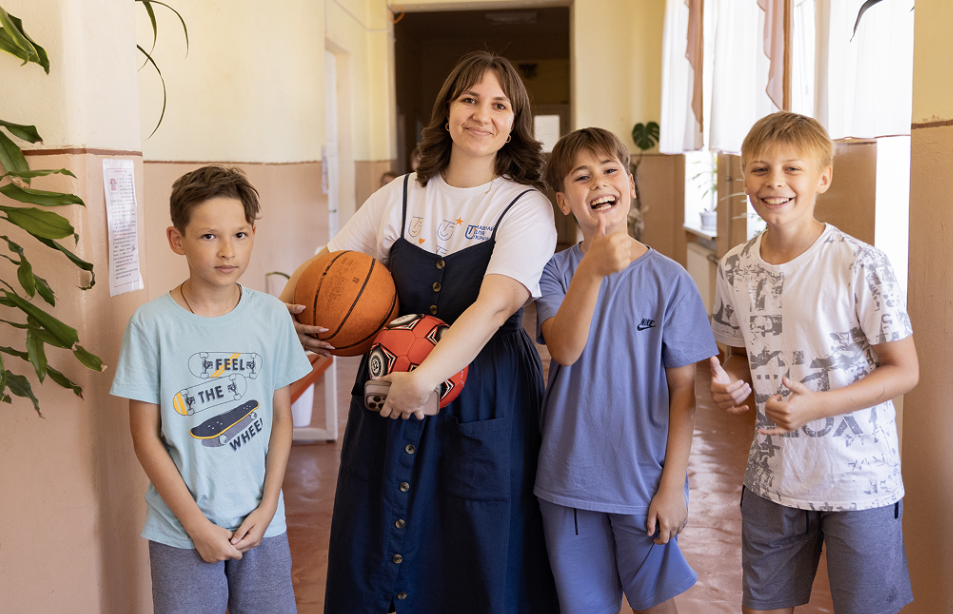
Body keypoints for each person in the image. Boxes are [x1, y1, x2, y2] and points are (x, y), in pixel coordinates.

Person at [280, 51, 560, 613]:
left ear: (514, 124)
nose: (482, 115)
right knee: (381, 520)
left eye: (499, 105)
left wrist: (425, 379)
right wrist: (294, 316)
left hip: (485, 388)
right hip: (390, 379)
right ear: (448, 111)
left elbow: (495, 307)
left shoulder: (526, 205)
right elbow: (327, 267)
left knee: (475, 534)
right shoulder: (400, 194)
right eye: (469, 99)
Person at [709, 112, 919, 614]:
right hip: (772, 477)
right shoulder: (734, 267)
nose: (774, 182)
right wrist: (731, 384)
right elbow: (739, 358)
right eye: (760, 169)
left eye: (792, 169)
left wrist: (819, 405)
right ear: (745, 178)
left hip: (859, 481)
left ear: (822, 178)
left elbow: (904, 370)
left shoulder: (860, 263)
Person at [110, 166, 312, 614]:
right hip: (180, 530)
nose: (227, 251)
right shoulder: (151, 325)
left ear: (253, 234)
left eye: (240, 235)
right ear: (176, 239)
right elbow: (145, 436)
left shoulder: (271, 316)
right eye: (208, 236)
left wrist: (269, 505)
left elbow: (281, 418)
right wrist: (195, 526)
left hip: (262, 522)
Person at [535, 128, 717, 614]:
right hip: (568, 480)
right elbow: (564, 349)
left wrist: (672, 487)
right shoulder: (555, 273)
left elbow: (684, 393)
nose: (598, 182)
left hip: (643, 483)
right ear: (563, 201)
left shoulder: (671, 280)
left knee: (656, 604)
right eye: (582, 176)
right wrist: (592, 269)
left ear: (630, 185)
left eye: (610, 170)